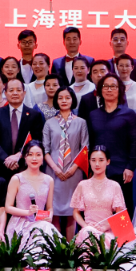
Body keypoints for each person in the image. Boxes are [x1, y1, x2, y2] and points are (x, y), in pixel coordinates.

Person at [86, 73, 136, 213]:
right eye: (105, 86)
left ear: (119, 90)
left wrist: (130, 167)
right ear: (100, 90)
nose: (109, 89)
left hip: (121, 170)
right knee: (99, 209)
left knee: (121, 210)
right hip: (99, 169)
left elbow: (134, 141)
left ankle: (124, 230)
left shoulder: (128, 114)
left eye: (113, 86)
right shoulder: (93, 115)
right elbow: (90, 142)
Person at [43, 87, 88, 239]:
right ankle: (56, 247)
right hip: (53, 171)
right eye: (60, 98)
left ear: (72, 100)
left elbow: (85, 148)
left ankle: (70, 247)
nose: (64, 101)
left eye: (67, 97)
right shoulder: (49, 123)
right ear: (56, 100)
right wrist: (55, 169)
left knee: (71, 212)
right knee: (54, 211)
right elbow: (45, 150)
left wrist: (73, 168)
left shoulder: (81, 122)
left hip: (74, 171)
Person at [3, 141, 62, 245]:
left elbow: (49, 207)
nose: (34, 158)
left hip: (41, 222)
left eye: (38, 155)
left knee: (45, 232)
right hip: (20, 224)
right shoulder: (17, 179)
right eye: (30, 155)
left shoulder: (49, 180)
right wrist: (27, 212)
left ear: (43, 157)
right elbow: (8, 207)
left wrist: (50, 216)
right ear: (25, 157)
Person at [70, 147, 126, 244]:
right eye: (93, 160)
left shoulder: (115, 186)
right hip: (87, 231)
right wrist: (86, 226)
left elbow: (119, 214)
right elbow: (76, 212)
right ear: (89, 162)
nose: (97, 164)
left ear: (108, 162)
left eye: (101, 160)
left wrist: (104, 227)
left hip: (107, 232)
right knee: (88, 235)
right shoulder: (82, 185)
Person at [115, 54, 136, 119]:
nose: (124, 68)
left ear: (132, 68)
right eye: (121, 65)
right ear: (117, 67)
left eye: (127, 66)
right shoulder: (112, 86)